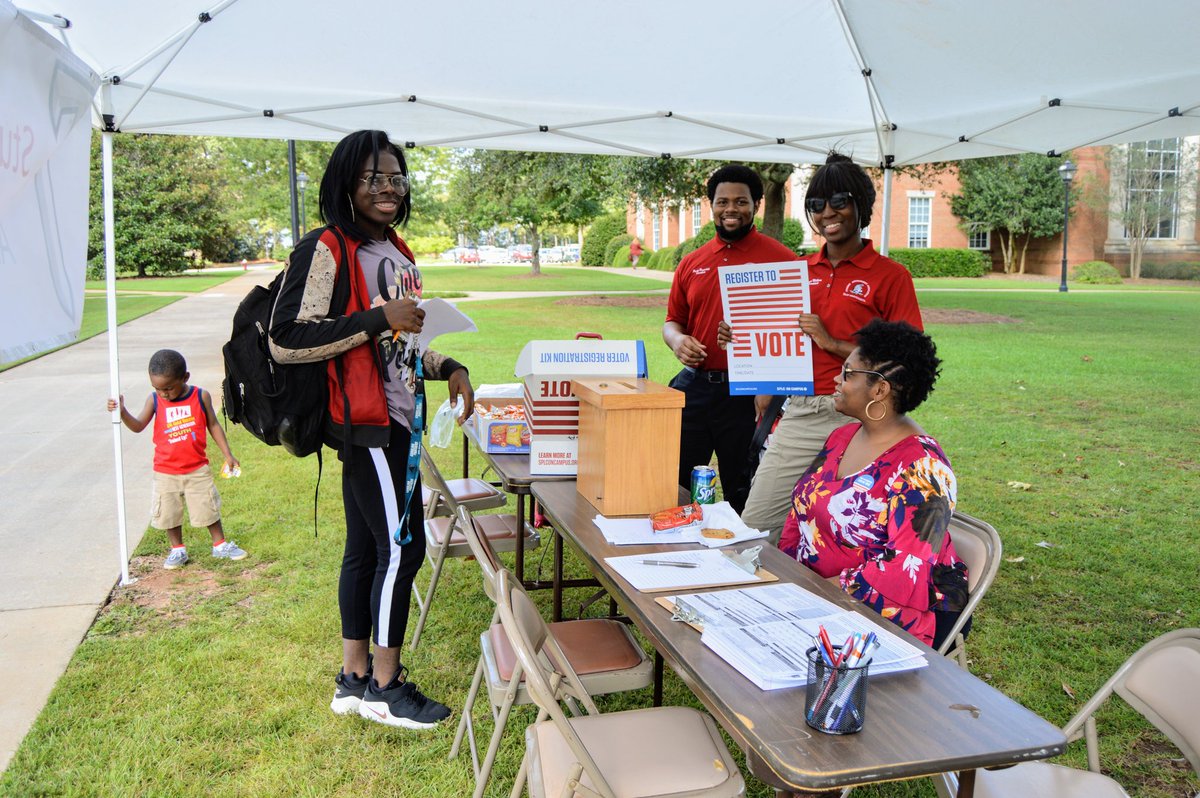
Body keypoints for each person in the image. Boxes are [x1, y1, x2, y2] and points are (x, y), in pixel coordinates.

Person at [268, 130, 475, 730]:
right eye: (372, 179)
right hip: (365, 424)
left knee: (365, 549)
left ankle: (354, 679)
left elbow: (403, 346)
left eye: (395, 178)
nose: (387, 189)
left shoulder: (398, 253)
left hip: (399, 417)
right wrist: (374, 317)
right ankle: (387, 686)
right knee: (401, 549)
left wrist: (450, 366)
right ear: (346, 185)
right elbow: (286, 339)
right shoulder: (328, 249)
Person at [737, 152, 923, 543]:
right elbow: (775, 337)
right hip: (802, 410)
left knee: (843, 533)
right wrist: (743, 342)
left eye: (839, 202)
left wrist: (832, 343)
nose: (827, 214)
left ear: (861, 205)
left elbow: (906, 361)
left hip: (861, 417)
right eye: (816, 205)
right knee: (754, 528)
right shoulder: (799, 272)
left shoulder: (890, 276)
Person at [778, 320, 968, 647]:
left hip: (887, 615)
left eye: (848, 374)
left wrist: (812, 595)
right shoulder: (842, 437)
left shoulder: (923, 470)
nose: (836, 380)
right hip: (814, 595)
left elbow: (901, 574)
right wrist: (787, 577)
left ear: (880, 390)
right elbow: (801, 513)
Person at [664, 164, 799, 514]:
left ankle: (742, 559)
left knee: (744, 489)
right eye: (722, 201)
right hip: (694, 389)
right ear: (711, 205)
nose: (731, 209)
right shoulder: (692, 262)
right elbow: (672, 322)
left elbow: (795, 329)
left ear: (757, 203)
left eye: (741, 201)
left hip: (750, 394)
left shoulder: (781, 260)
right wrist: (678, 341)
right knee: (677, 483)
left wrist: (754, 340)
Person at [107, 349, 246, 569]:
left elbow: (213, 424)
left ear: (185, 377)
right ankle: (177, 550)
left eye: (169, 388)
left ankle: (220, 545)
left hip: (196, 467)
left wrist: (227, 453)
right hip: (165, 470)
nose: (163, 393)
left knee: (207, 506)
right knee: (169, 512)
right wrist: (122, 411)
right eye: (158, 388)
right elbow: (137, 426)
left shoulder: (200, 396)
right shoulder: (154, 400)